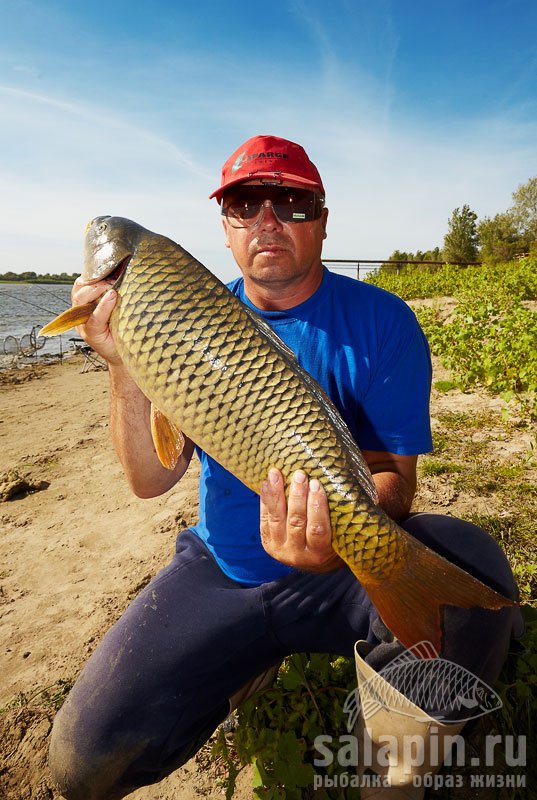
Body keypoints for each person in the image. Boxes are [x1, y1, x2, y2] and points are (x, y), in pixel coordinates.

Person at [49, 135, 520, 800]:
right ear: (226, 225)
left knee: (470, 562)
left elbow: (394, 479)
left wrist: (340, 537)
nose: (267, 219)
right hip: (223, 570)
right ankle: (244, 662)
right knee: (81, 766)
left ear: (322, 219)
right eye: (245, 203)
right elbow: (149, 481)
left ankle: (391, 777)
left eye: (291, 203)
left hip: (343, 576)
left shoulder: (383, 322)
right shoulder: (180, 316)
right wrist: (123, 362)